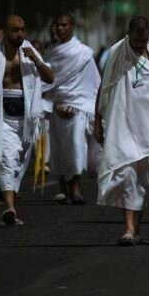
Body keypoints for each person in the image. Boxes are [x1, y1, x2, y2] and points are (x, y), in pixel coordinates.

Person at [95, 16, 149, 246]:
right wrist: (97, 122)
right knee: (125, 176)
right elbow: (103, 89)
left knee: (143, 181)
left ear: (148, 36)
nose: (138, 46)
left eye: (142, 41)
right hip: (122, 125)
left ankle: (135, 230)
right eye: (134, 41)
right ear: (128, 35)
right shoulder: (117, 53)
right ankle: (128, 228)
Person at [0, 15, 54, 225]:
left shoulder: (29, 52)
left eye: (22, 29)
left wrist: (35, 59)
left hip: (26, 118)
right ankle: (9, 209)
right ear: (6, 32)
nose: (20, 34)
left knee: (19, 161)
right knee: (7, 160)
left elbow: (50, 77)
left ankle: (9, 198)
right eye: (15, 30)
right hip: (1, 117)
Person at [42, 14, 100, 205]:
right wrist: (54, 104)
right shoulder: (50, 53)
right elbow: (47, 83)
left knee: (75, 147)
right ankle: (64, 189)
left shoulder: (82, 53)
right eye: (57, 25)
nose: (59, 28)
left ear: (72, 27)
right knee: (58, 150)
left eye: (63, 25)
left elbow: (93, 83)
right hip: (56, 106)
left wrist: (88, 106)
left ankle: (76, 188)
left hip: (78, 108)